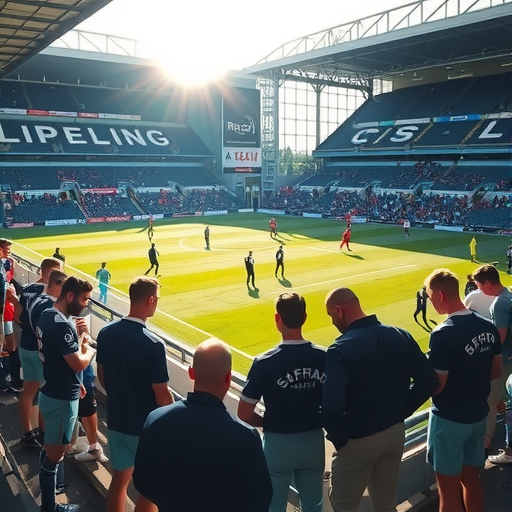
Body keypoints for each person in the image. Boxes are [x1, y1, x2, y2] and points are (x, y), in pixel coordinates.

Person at [322, 287, 438, 512]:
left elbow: (331, 407)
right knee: (385, 504)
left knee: (343, 506)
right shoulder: (400, 334)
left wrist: (341, 441)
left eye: (331, 315)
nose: (332, 321)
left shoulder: (339, 349)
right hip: (395, 433)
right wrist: (402, 410)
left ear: (339, 310)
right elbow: (428, 380)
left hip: (358, 440)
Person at [133, 339, 272, 512]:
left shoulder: (155, 420)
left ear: (191, 373)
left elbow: (144, 487)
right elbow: (258, 503)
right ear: (228, 378)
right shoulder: (246, 439)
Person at [238, 293, 326, 512]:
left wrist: (268, 423)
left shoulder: (264, 362)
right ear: (305, 317)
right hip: (314, 440)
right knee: (313, 504)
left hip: (278, 444)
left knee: (274, 506)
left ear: (277, 318)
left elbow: (244, 412)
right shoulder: (325, 357)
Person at [424, 269, 501, 512]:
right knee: (471, 480)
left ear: (440, 295)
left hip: (449, 419)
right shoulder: (488, 325)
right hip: (478, 416)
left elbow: (438, 385)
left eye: (430, 297)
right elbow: (495, 371)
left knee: (448, 492)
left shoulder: (443, 333)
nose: (430, 302)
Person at [96, 277, 173, 512]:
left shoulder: (106, 332)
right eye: (157, 299)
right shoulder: (153, 344)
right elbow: (162, 395)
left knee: (119, 482)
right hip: (144, 429)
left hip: (116, 420)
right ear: (150, 300)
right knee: (149, 490)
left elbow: (102, 375)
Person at [37, 276, 96, 512]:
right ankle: (50, 507)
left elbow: (58, 358)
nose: (85, 304)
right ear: (70, 296)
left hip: (54, 389)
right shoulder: (62, 325)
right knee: (53, 457)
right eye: (84, 299)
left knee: (50, 450)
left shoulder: (47, 315)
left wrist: (75, 381)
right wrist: (88, 349)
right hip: (60, 399)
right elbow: (79, 363)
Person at [16, 257, 63, 448]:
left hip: (25, 345)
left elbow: (18, 316)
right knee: (46, 393)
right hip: (40, 350)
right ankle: (45, 437)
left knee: (28, 391)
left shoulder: (27, 289)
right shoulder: (48, 295)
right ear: (51, 272)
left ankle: (28, 433)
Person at [471, 264, 512, 463]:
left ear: (487, 283)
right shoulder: (508, 295)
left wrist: (485, 359)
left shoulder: (499, 303)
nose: (479, 289)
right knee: (503, 401)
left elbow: (500, 336)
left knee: (490, 401)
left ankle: (484, 448)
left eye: (479, 285)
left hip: (505, 361)